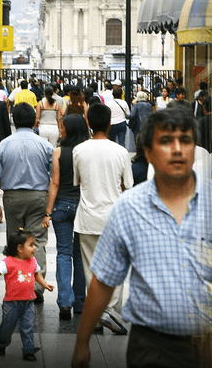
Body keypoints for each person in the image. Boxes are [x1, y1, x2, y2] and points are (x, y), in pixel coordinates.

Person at [71, 108, 212, 368]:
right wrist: (82, 343)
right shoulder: (129, 207)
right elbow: (103, 282)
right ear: (147, 152)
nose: (178, 149)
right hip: (152, 346)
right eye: (166, 141)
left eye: (186, 140)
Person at [73, 103, 133, 335]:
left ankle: (97, 314)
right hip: (114, 218)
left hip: (87, 217)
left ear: (88, 122)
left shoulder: (79, 150)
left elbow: (78, 182)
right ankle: (111, 312)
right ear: (110, 124)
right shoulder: (120, 152)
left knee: (91, 270)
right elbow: (128, 186)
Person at [0, 103, 54, 303]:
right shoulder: (45, 145)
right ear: (35, 119)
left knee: (16, 241)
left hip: (12, 198)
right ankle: (36, 289)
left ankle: (17, 286)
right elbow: (54, 176)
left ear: (14, 120)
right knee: (38, 241)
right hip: (38, 197)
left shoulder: (4, 145)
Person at [41, 114, 89, 319]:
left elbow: (54, 183)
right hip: (82, 206)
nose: (61, 129)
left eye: (63, 126)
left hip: (61, 206)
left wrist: (48, 212)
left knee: (63, 253)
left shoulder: (59, 152)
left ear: (70, 129)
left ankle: (64, 302)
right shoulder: (86, 152)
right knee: (79, 255)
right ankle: (80, 302)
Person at [0, 229, 54, 362]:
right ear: (19, 248)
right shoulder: (8, 262)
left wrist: (44, 284)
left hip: (29, 302)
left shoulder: (32, 261)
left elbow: (36, 274)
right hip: (12, 303)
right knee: (7, 327)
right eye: (31, 245)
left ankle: (28, 350)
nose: (34, 248)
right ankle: (1, 341)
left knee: (27, 327)